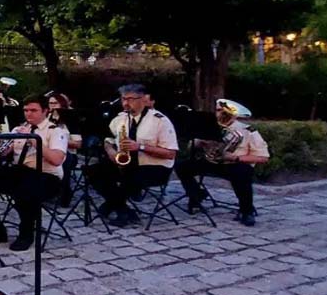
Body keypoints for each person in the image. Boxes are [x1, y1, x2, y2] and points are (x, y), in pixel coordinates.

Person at [0, 96, 68, 251]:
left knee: (24, 190)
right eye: (26, 110)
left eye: (33, 110)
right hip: (21, 171)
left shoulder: (55, 131)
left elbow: (57, 160)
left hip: (47, 176)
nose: (29, 114)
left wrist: (34, 140)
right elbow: (3, 154)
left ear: (45, 111)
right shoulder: (20, 128)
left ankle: (26, 234)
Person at [85, 84, 179, 227]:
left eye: (130, 99)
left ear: (142, 99)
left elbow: (171, 153)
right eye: (123, 99)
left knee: (129, 177)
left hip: (155, 167)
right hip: (128, 164)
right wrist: (111, 152)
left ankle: (114, 207)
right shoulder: (120, 119)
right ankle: (124, 209)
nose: (125, 103)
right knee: (93, 171)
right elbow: (108, 140)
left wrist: (140, 146)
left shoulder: (160, 121)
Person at [176, 99, 269, 226]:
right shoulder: (209, 127)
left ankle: (246, 211)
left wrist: (236, 158)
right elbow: (190, 147)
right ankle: (197, 194)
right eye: (217, 110)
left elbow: (263, 158)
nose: (218, 113)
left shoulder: (247, 131)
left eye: (221, 110)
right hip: (212, 161)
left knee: (242, 174)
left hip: (234, 164)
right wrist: (201, 142)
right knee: (182, 167)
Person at [48, 92, 80, 206]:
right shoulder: (47, 117)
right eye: (50, 103)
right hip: (48, 152)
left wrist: (60, 140)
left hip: (68, 154)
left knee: (64, 159)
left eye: (55, 103)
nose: (52, 106)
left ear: (62, 104)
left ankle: (64, 191)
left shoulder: (70, 119)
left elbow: (78, 144)